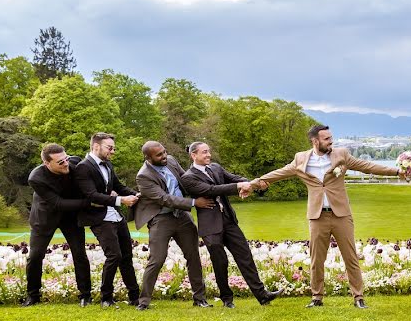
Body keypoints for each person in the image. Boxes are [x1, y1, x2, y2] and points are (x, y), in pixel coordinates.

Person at [255, 125, 400, 309]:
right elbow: (280, 173)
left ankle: (359, 298)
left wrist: (396, 172)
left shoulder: (341, 155)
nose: (331, 141)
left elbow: (367, 166)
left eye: (331, 138)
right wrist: (254, 183)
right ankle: (317, 298)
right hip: (317, 217)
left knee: (351, 257)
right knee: (316, 259)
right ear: (315, 141)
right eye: (326, 139)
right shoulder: (301, 159)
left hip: (341, 215)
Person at [180, 142, 281, 308]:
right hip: (210, 226)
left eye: (209, 152)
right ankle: (227, 299)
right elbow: (211, 190)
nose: (208, 155)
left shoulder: (216, 168)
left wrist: (251, 184)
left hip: (228, 220)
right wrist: (237, 186)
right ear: (194, 155)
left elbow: (234, 178)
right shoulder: (188, 177)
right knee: (220, 263)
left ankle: (263, 296)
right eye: (204, 152)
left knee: (245, 257)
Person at [133, 141, 215, 310]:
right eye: (159, 155)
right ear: (148, 158)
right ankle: (144, 301)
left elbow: (186, 181)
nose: (164, 156)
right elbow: (164, 199)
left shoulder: (170, 160)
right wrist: (194, 202)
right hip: (161, 219)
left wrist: (208, 191)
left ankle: (200, 299)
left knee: (193, 256)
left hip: (183, 217)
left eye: (164, 152)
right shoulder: (143, 176)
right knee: (156, 259)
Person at [23, 144, 100, 307]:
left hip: (71, 217)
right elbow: (57, 203)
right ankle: (33, 296)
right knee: (35, 256)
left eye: (66, 158)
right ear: (47, 163)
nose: (66, 163)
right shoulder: (36, 178)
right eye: (60, 162)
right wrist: (90, 203)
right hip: (45, 216)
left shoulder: (75, 163)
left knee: (79, 253)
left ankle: (85, 295)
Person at [74, 132, 141, 308]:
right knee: (114, 255)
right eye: (109, 148)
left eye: (113, 148)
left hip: (116, 215)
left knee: (127, 256)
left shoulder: (108, 165)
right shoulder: (83, 167)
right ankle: (106, 298)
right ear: (96, 146)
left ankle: (135, 297)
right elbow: (91, 195)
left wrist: (136, 194)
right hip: (98, 217)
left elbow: (118, 186)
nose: (112, 151)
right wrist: (120, 200)